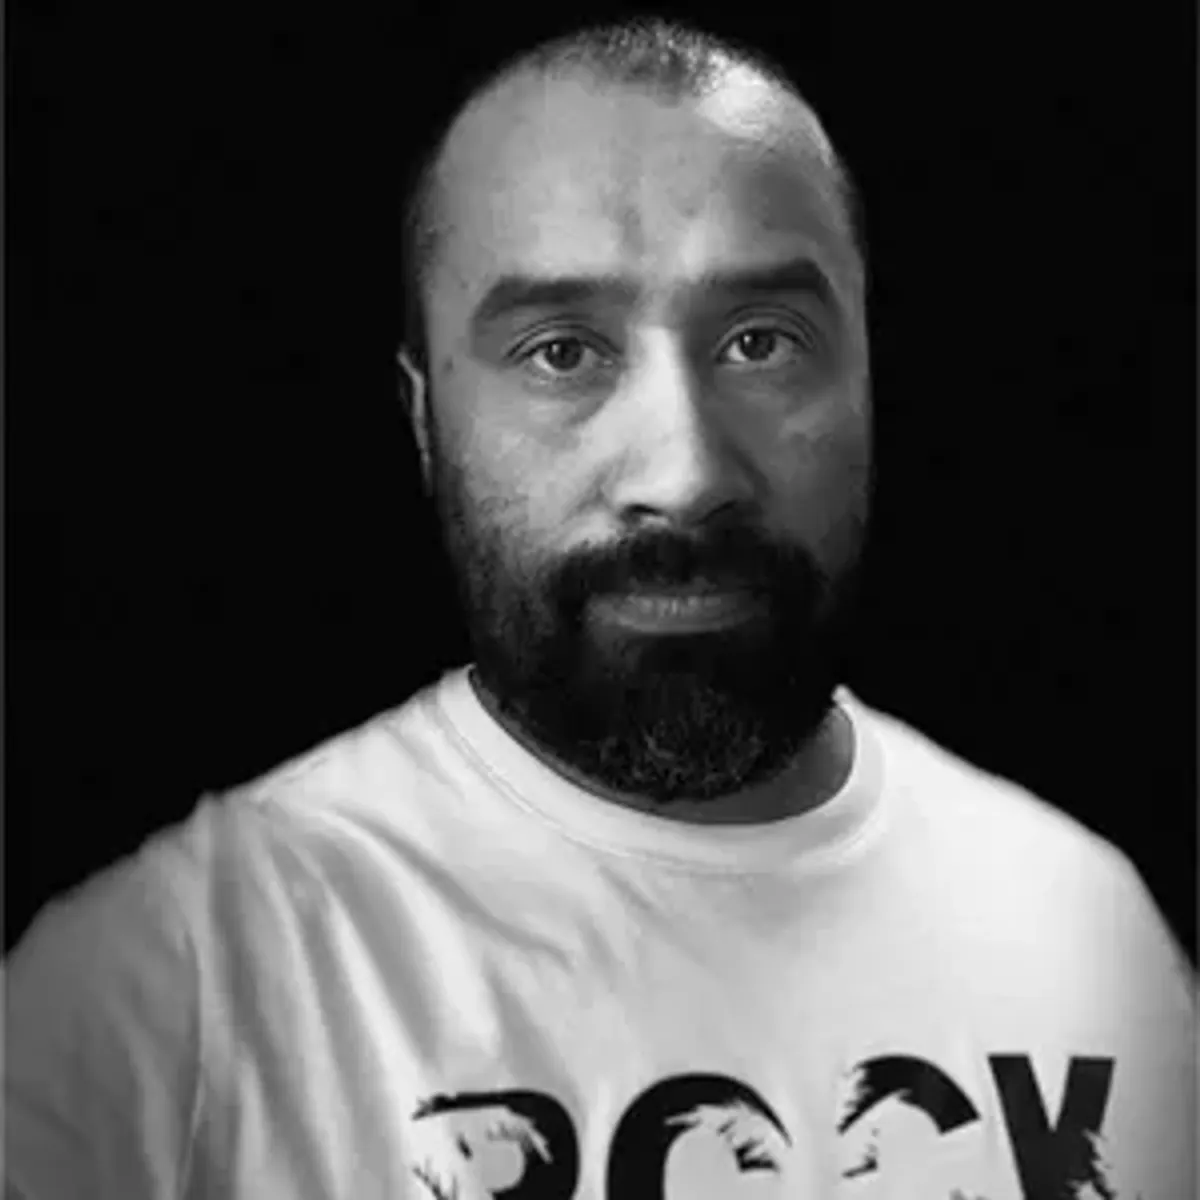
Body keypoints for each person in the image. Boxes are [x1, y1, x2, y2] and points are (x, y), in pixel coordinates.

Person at [5, 15, 1195, 1200]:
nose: (684, 474)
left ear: (868, 375)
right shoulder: (172, 989)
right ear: (425, 421)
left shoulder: (1083, 925)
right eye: (562, 353)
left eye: (762, 341)